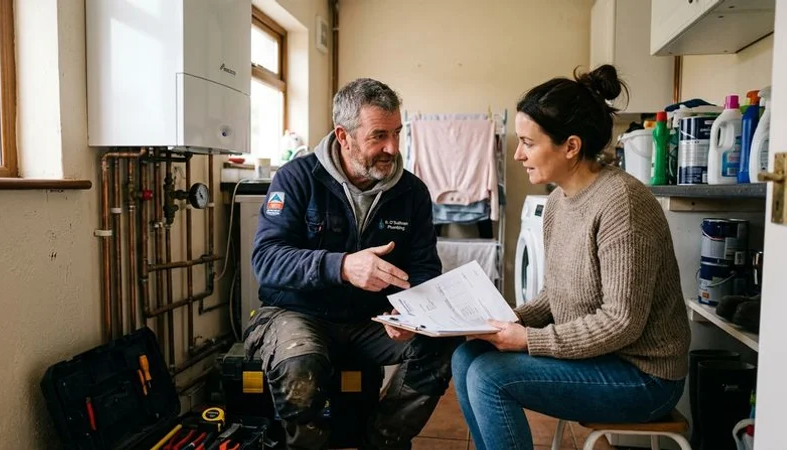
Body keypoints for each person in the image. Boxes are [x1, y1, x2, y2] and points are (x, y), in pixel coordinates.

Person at [451, 65, 691, 450]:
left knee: (488, 376)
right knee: (466, 357)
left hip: (644, 376)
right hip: (599, 359)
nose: (518, 154)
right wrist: (505, 320)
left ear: (571, 146)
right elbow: (556, 294)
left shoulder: (623, 203)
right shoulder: (558, 203)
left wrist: (529, 340)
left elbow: (621, 322)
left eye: (528, 143)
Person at [244, 77, 461, 450]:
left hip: (372, 320)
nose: (392, 148)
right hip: (297, 313)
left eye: (397, 133)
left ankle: (381, 440)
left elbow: (425, 267)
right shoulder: (296, 179)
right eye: (379, 136)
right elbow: (266, 259)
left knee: (443, 346)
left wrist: (409, 311)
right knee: (299, 364)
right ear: (343, 136)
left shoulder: (412, 192)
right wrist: (342, 267)